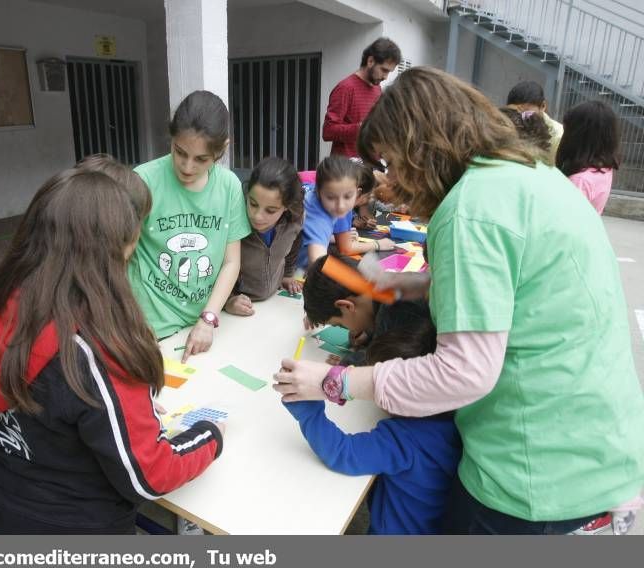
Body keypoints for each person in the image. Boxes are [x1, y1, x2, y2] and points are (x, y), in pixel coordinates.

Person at [275, 67, 644, 534]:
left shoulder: (471, 209)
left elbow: (461, 373)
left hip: (534, 473)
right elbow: (521, 287)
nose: (390, 183)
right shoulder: (529, 176)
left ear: (419, 148)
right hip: (598, 450)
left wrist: (336, 382)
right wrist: (424, 283)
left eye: (391, 163)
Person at [0, 164, 224, 535]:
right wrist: (209, 435)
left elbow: (48, 411)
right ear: (116, 249)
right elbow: (150, 474)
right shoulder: (95, 346)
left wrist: (120, 409)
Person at [283, 303, 461, 534]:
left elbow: (343, 453)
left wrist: (307, 410)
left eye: (381, 386)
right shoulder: (454, 419)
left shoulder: (403, 439)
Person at [128, 91, 251, 362]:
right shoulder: (143, 180)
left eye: (201, 159)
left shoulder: (229, 186)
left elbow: (231, 262)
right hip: (148, 325)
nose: (186, 166)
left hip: (201, 319)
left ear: (222, 149)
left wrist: (208, 318)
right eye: (179, 152)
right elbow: (119, 256)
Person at [303, 254, 429, 365]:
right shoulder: (382, 293)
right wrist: (369, 333)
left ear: (347, 306)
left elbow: (379, 363)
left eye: (339, 324)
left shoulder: (395, 311)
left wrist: (349, 364)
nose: (349, 330)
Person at [225, 157, 305, 317]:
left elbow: (296, 240)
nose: (257, 216)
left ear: (287, 207)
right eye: (253, 204)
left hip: (274, 305)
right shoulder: (232, 222)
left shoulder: (294, 222)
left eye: (270, 210)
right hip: (235, 312)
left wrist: (288, 274)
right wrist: (228, 300)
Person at [297, 155, 394, 270]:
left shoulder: (325, 198)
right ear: (318, 192)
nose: (341, 206)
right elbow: (318, 263)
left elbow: (308, 234)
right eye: (331, 197)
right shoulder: (318, 215)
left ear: (357, 193)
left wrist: (330, 237)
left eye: (348, 196)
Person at [322, 38, 401, 158]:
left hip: (370, 166)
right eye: (384, 70)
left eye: (389, 72)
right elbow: (328, 132)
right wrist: (363, 127)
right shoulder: (346, 88)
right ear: (370, 61)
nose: (386, 77)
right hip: (348, 170)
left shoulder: (377, 88)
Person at [556, 100, 621, 215]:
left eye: (567, 130)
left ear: (578, 136)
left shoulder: (580, 181)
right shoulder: (603, 168)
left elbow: (564, 220)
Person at [506, 80, 563, 163]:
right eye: (514, 113)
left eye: (527, 114)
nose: (520, 118)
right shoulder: (504, 124)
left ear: (543, 106)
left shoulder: (558, 136)